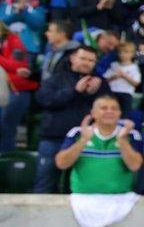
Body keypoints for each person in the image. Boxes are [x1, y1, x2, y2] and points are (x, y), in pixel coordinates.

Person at [34, 46, 111, 193]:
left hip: (84, 141)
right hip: (53, 139)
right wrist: (74, 91)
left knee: (77, 188)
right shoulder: (56, 79)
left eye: (91, 60)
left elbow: (109, 109)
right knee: (45, 185)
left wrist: (94, 94)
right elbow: (43, 99)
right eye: (83, 58)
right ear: (72, 58)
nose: (87, 63)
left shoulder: (100, 83)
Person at [55, 95, 143, 193]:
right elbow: (61, 164)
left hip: (120, 199)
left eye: (114, 108)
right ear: (93, 113)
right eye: (104, 108)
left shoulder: (131, 134)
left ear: (120, 113)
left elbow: (135, 166)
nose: (110, 111)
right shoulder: (77, 132)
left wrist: (122, 141)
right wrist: (83, 140)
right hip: (82, 198)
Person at [0, 19, 38, 152]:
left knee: (5, 128)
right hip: (4, 89)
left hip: (16, 91)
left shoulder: (14, 40)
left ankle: (6, 163)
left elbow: (20, 66)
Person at [103, 41, 141, 115]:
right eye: (121, 52)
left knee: (124, 114)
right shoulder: (114, 65)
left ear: (132, 54)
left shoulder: (134, 67)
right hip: (112, 93)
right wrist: (114, 76)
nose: (123, 55)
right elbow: (105, 79)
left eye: (126, 52)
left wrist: (124, 76)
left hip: (126, 94)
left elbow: (136, 83)